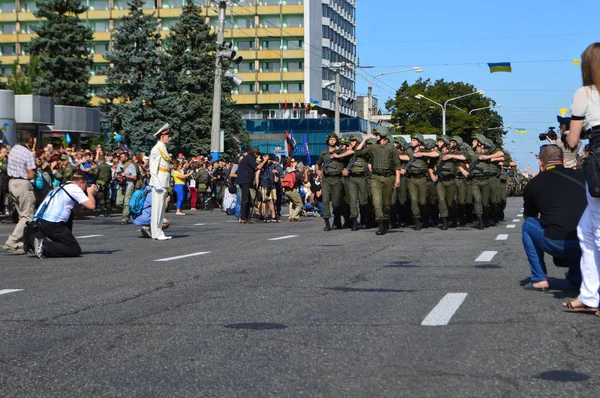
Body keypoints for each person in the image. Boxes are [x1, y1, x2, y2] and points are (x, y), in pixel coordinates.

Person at [563, 42, 600, 312]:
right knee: (585, 230)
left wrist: (568, 134)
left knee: (597, 231)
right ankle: (589, 296)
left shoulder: (585, 93)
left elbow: (574, 141)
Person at [521, 145, 586, 291]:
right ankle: (578, 278)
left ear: (540, 162)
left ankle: (539, 279)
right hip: (586, 243)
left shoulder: (534, 184)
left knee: (528, 225)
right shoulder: (582, 176)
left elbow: (529, 216)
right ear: (562, 160)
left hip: (557, 242)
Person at [335, 130, 401, 235]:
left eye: (377, 134)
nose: (376, 136)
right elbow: (358, 151)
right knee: (376, 202)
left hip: (389, 177)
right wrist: (365, 139)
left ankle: (385, 221)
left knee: (387, 204)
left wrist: (397, 179)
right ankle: (380, 224)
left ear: (383, 135)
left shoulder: (391, 148)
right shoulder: (373, 147)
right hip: (375, 177)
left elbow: (397, 165)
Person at [33, 173, 99, 258]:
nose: (85, 189)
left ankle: (57, 243)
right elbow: (92, 206)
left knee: (70, 214)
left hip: (41, 222)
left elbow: (77, 212)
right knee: (74, 249)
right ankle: (44, 246)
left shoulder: (62, 186)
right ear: (80, 183)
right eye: (85, 186)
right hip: (53, 224)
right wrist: (90, 193)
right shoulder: (75, 188)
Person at [3, 135, 36, 255]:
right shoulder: (28, 153)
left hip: (12, 183)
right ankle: (12, 242)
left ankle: (24, 242)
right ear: (30, 140)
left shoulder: (13, 149)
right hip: (23, 183)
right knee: (27, 216)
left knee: (22, 215)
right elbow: (31, 174)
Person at [315, 133, 346, 231]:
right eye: (330, 139)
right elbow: (317, 164)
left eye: (334, 139)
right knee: (325, 201)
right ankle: (327, 223)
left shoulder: (341, 152)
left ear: (336, 141)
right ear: (328, 141)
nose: (332, 141)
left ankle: (337, 221)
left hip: (337, 179)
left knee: (336, 203)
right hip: (326, 179)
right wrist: (318, 171)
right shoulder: (323, 153)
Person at [149, 123, 173, 240]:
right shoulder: (156, 149)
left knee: (161, 208)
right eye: (168, 136)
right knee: (157, 208)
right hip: (159, 181)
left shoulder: (163, 148)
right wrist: (157, 183)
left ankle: (158, 232)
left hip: (164, 181)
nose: (170, 138)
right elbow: (153, 168)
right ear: (162, 137)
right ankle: (156, 233)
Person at [236, 147, 268, 224]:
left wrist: (262, 161)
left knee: (248, 199)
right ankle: (243, 217)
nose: (257, 156)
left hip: (245, 180)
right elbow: (258, 167)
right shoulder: (249, 158)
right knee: (245, 199)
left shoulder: (248, 158)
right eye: (257, 154)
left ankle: (247, 217)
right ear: (254, 153)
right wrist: (265, 160)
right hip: (245, 180)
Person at [115, 151, 137, 224]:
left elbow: (134, 177)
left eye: (122, 157)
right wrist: (117, 176)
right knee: (118, 202)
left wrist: (126, 175)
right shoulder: (119, 165)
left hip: (129, 186)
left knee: (126, 203)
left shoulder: (131, 166)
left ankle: (125, 218)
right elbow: (116, 174)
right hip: (120, 186)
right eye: (120, 157)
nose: (120, 159)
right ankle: (127, 212)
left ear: (126, 157)